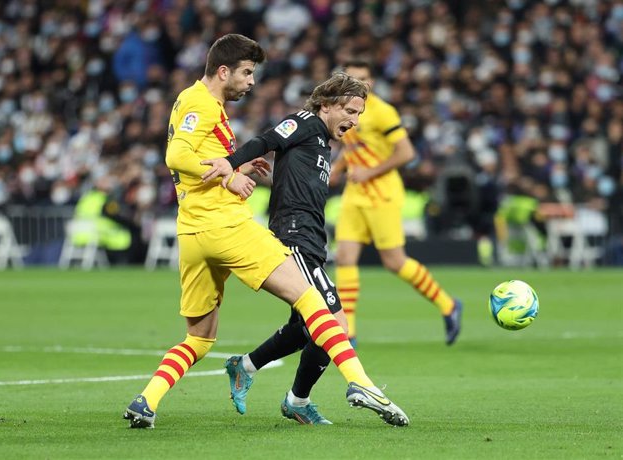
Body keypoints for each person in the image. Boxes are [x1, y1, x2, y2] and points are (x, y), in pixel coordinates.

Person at [123, 34, 409, 429]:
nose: (251, 81)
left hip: (193, 232)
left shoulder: (210, 107)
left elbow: (201, 160)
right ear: (223, 71)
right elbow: (177, 155)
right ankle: (359, 383)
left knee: (201, 338)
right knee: (315, 304)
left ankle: (146, 402)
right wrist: (229, 175)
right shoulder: (200, 101)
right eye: (246, 72)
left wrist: (237, 169)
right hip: (227, 225)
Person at [201, 72, 378, 425]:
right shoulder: (304, 121)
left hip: (312, 238)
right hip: (293, 235)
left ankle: (246, 365)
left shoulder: (322, 142)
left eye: (359, 114)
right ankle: (299, 400)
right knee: (333, 325)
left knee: (306, 325)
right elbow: (266, 139)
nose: (354, 121)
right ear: (326, 104)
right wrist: (230, 164)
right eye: (350, 111)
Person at [332, 60, 463, 346]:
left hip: (383, 194)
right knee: (344, 258)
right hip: (355, 194)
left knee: (394, 262)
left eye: (363, 78)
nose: (359, 83)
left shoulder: (382, 112)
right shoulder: (347, 110)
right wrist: (338, 169)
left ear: (373, 81)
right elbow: (356, 147)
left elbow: (406, 153)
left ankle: (448, 304)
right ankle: (348, 331)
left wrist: (370, 171)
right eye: (352, 79)